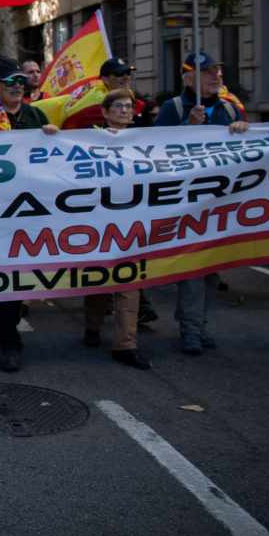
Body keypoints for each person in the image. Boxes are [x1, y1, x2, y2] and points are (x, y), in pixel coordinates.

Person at [154, 52, 249, 354]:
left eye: (218, 72)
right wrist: (186, 126)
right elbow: (150, 151)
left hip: (220, 203)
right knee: (194, 267)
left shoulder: (231, 111)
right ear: (188, 77)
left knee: (211, 269)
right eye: (208, 72)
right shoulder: (174, 108)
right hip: (187, 202)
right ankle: (193, 329)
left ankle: (195, 320)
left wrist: (243, 131)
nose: (216, 77)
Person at [0, 57, 58, 370]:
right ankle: (8, 340)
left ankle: (6, 329)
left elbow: (54, 161)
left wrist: (53, 139)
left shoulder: (35, 115)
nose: (18, 87)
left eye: (21, 81)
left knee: (18, 273)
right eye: (10, 82)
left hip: (27, 210)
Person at [79, 90, 151, 369]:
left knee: (129, 279)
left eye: (128, 106)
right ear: (105, 112)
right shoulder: (88, 139)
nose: (124, 110)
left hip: (132, 220)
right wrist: (49, 132)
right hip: (97, 220)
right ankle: (93, 326)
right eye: (118, 106)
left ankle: (125, 344)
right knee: (97, 280)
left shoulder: (146, 140)